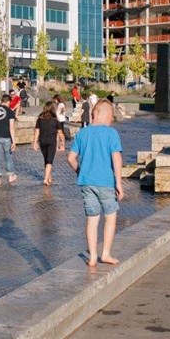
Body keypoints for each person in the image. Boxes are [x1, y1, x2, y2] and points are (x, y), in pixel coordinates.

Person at [66, 101, 123, 267]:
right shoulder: (111, 134)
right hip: (105, 182)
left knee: (92, 219)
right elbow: (116, 158)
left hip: (87, 183)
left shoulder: (82, 134)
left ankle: (92, 257)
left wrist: (80, 172)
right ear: (109, 117)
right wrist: (118, 182)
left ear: (93, 115)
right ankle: (105, 254)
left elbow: (70, 158)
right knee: (110, 216)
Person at [33, 101, 65, 185]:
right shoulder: (55, 120)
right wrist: (62, 142)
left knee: (46, 159)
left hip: (42, 141)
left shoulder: (40, 119)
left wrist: (35, 142)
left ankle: (49, 178)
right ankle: (45, 179)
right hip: (51, 142)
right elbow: (60, 133)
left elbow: (37, 131)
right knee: (50, 160)